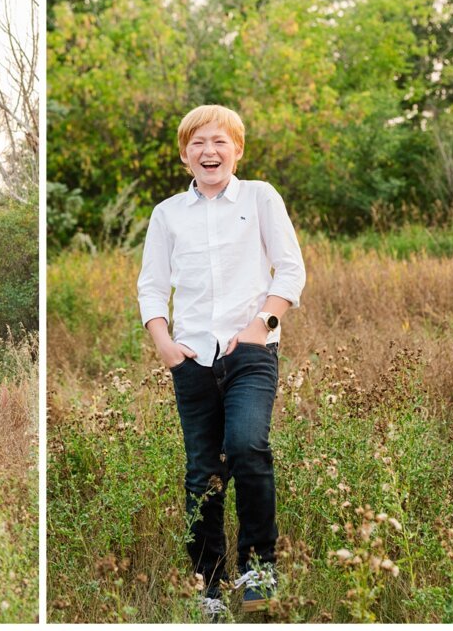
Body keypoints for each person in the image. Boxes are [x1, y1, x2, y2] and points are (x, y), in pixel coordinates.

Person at [137, 105, 306, 619]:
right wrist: (164, 345)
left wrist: (262, 326)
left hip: (251, 353)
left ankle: (258, 571)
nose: (209, 151)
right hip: (191, 358)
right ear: (185, 154)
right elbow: (150, 286)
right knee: (202, 473)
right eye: (198, 144)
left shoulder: (259, 198)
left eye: (219, 142)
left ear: (237, 149)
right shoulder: (167, 213)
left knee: (248, 447)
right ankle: (208, 586)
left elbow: (291, 270)